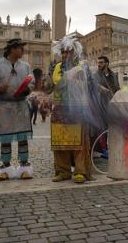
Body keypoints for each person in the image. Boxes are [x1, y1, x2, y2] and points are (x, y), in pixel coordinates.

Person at [0, 38, 34, 181]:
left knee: (22, 137)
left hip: (21, 105)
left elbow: (32, 81)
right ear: (12, 49)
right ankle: (5, 167)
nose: (23, 51)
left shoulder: (25, 66)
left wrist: (27, 90)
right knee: (6, 139)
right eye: (20, 48)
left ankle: (24, 166)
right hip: (3, 106)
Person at [49, 34, 92, 184]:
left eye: (68, 51)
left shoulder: (82, 67)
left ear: (74, 52)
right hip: (60, 107)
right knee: (60, 141)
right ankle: (63, 171)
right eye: (63, 52)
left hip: (78, 108)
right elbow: (54, 85)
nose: (66, 54)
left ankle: (80, 171)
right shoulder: (56, 67)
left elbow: (89, 87)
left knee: (79, 141)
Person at [92, 56, 120, 156]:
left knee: (112, 128)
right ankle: (102, 150)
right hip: (99, 106)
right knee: (101, 129)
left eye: (101, 63)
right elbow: (94, 86)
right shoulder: (95, 75)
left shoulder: (113, 75)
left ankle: (111, 147)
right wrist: (100, 88)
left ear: (107, 63)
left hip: (112, 106)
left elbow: (117, 88)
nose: (99, 65)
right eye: (98, 63)